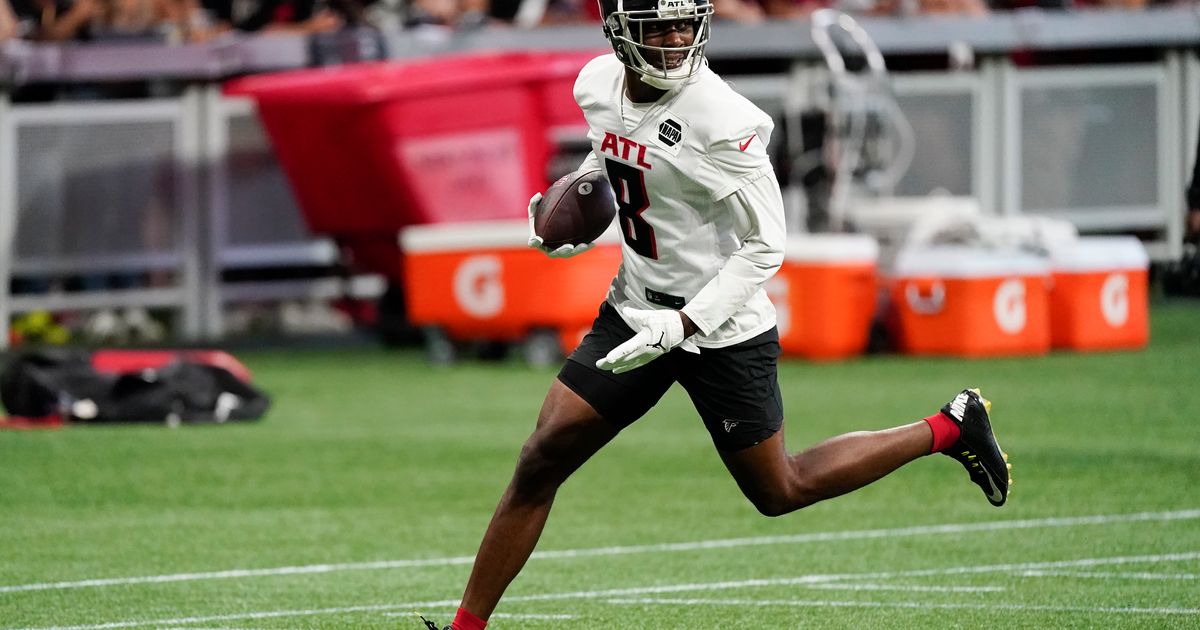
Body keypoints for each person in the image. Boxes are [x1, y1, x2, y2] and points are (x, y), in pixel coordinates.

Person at [423, 1, 1012, 628]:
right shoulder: (596, 84)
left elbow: (767, 246)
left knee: (780, 490)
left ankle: (950, 428)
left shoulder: (724, 119)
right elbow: (617, 164)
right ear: (620, 31)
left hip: (722, 329)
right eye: (660, 25)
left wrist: (686, 324)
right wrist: (576, 205)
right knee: (541, 455)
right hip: (634, 312)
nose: (677, 39)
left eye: (686, 22)